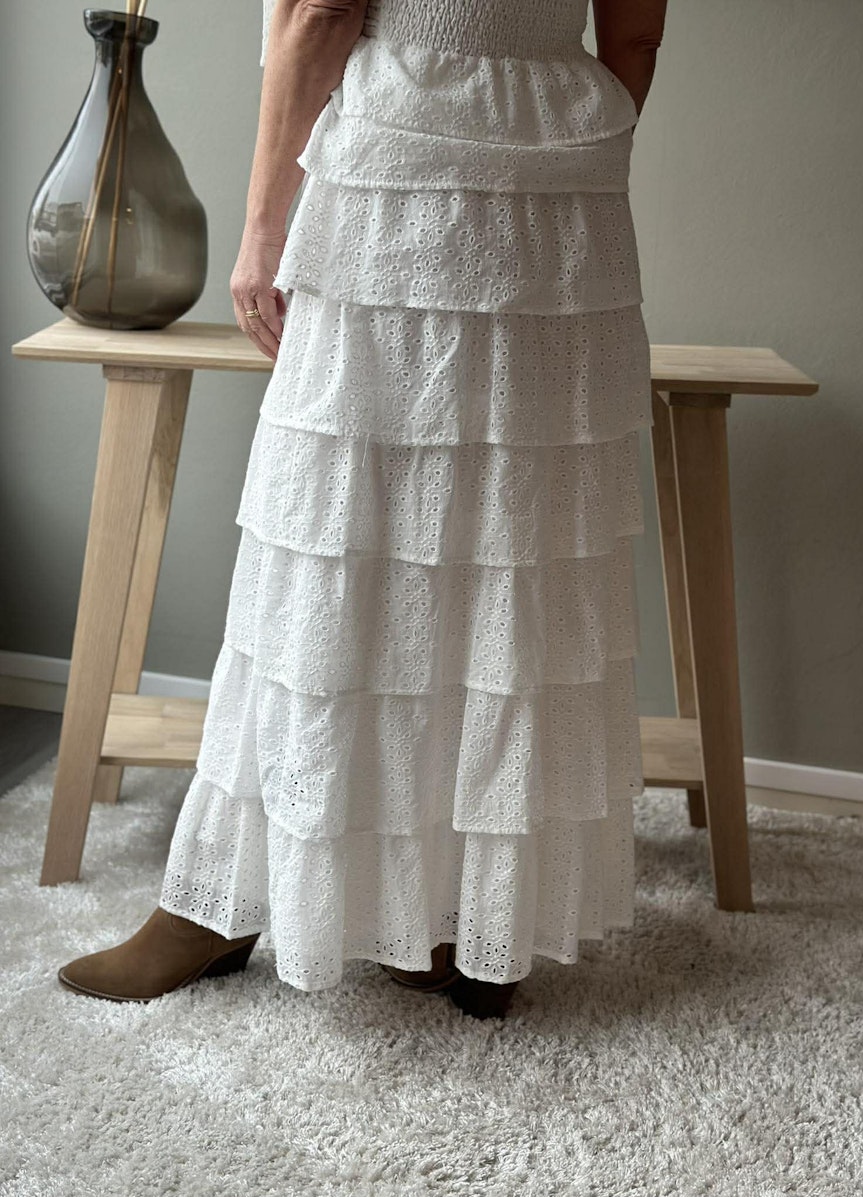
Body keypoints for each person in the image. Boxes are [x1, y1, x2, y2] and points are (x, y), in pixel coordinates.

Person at [57, 0, 667, 1021]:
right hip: (566, 188)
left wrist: (263, 225)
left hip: (402, 169)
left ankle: (223, 902)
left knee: (332, 539)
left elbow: (320, 10)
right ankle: (463, 923)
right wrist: (561, 144)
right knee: (508, 535)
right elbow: (636, 36)